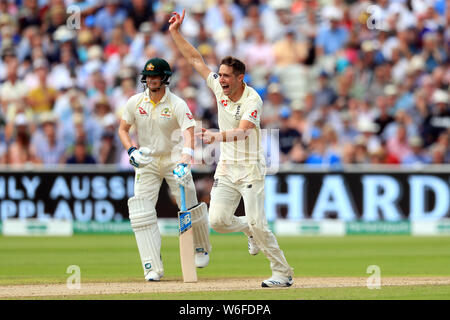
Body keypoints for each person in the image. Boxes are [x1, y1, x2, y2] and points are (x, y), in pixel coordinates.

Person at [168, 10, 294, 288]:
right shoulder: (219, 89)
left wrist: (216, 136)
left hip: (250, 168)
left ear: (240, 77)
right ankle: (247, 227)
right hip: (227, 167)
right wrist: (175, 32)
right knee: (219, 221)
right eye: (220, 75)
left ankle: (283, 273)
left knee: (261, 226)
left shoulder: (253, 100)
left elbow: (243, 132)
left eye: (226, 76)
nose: (220, 80)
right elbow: (194, 59)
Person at [117, 57, 211, 282]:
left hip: (173, 159)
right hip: (147, 160)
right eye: (148, 76)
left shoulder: (177, 103)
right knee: (141, 210)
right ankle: (152, 266)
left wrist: (186, 157)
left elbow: (189, 130)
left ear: (165, 78)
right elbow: (123, 130)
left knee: (187, 202)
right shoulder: (135, 102)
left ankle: (200, 246)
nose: (151, 80)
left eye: (155, 76)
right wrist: (132, 151)